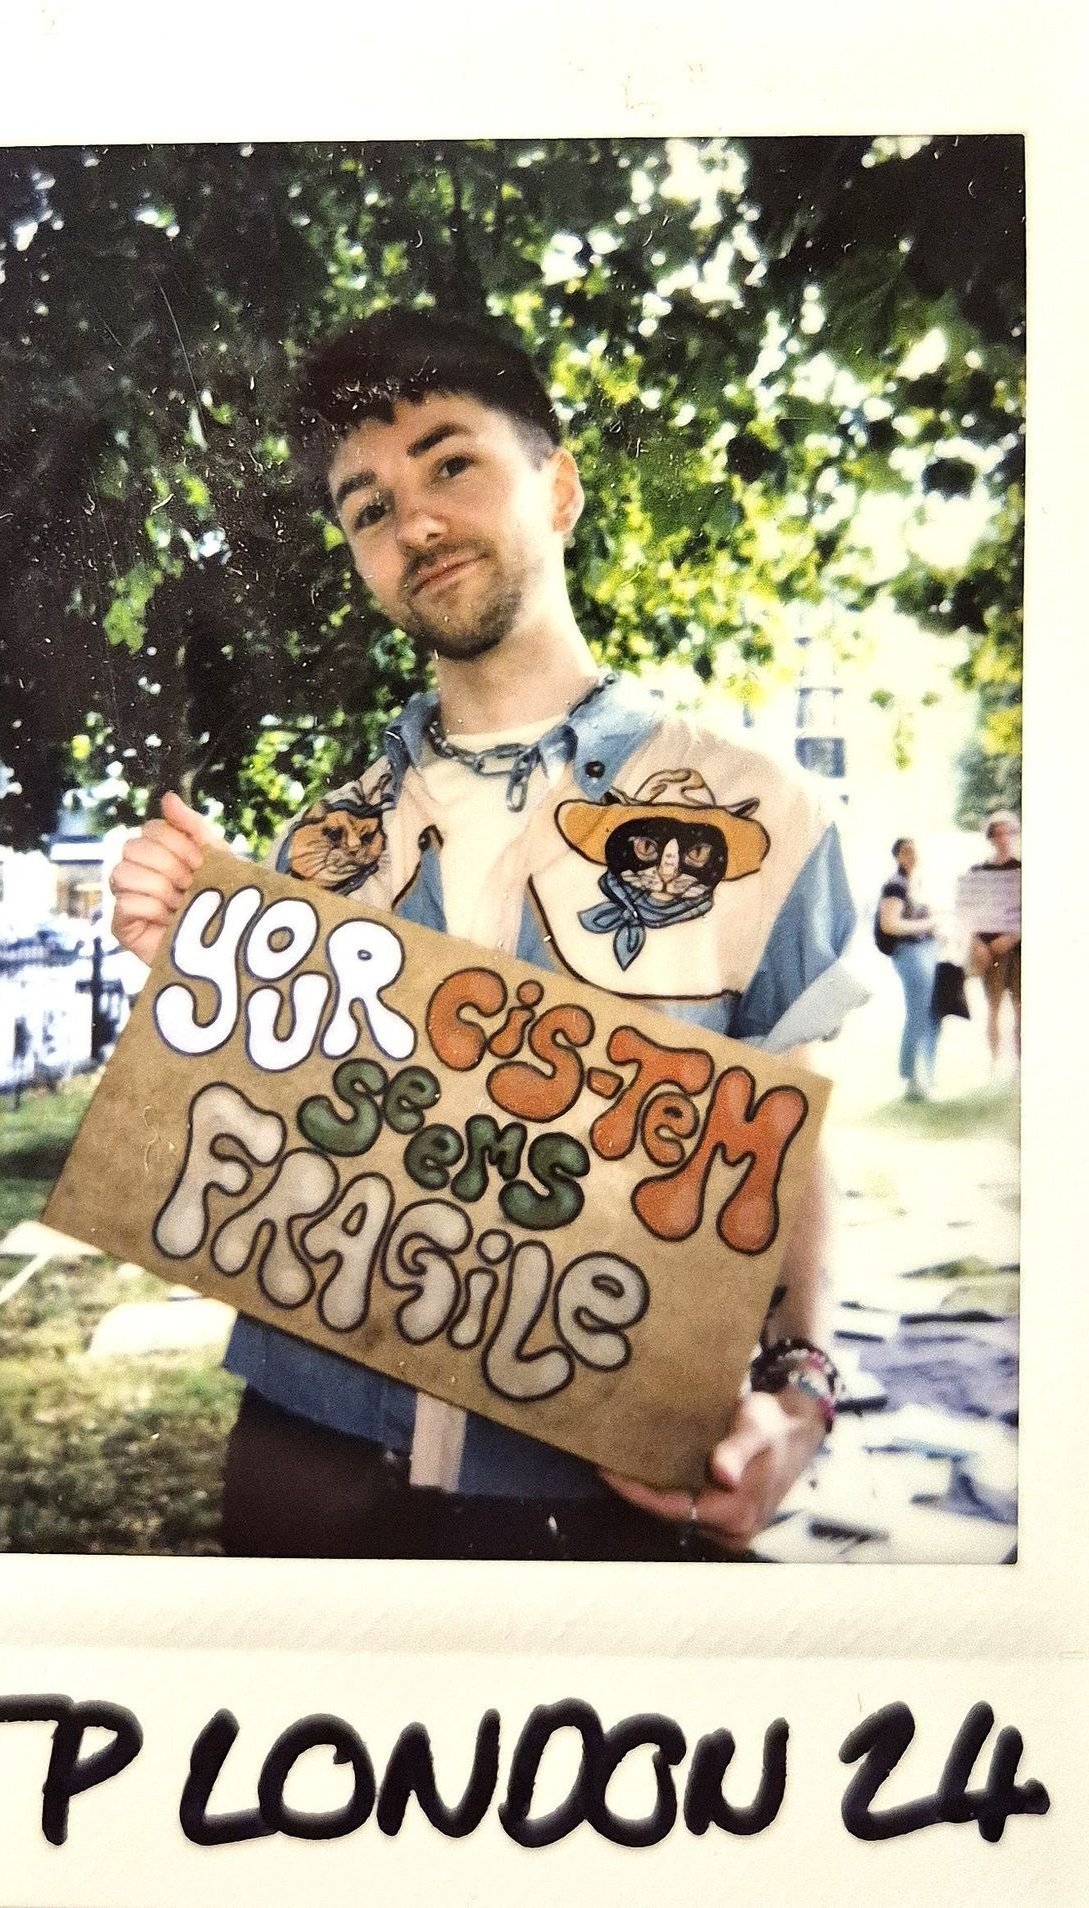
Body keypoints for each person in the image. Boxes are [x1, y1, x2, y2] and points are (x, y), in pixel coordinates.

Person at [108, 308, 866, 1559]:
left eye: (450, 463)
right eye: (366, 505)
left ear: (559, 488)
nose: (412, 522)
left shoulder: (759, 810)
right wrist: (193, 969)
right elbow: (279, 1129)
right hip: (302, 1468)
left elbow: (790, 1140)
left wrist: (802, 1397)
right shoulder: (321, 839)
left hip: (599, 1497)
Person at [875, 837, 939, 1102]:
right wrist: (928, 925)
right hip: (910, 954)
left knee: (931, 1014)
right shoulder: (895, 886)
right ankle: (913, 1079)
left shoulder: (917, 883)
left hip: (927, 951)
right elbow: (889, 924)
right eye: (906, 852)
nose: (912, 856)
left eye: (916, 850)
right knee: (919, 1015)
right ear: (898, 856)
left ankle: (926, 1074)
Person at [965, 811, 1021, 1070]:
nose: (1002, 838)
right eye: (996, 833)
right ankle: (995, 1064)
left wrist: (1012, 937)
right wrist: (977, 944)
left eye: (1007, 832)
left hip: (1019, 950)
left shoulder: (1023, 869)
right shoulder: (978, 871)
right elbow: (967, 912)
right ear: (990, 837)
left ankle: (1022, 1066)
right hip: (989, 950)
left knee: (1022, 1010)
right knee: (994, 1009)